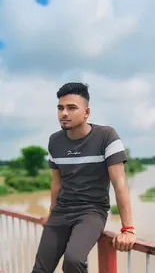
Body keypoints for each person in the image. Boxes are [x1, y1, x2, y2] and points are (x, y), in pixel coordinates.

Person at [31, 82, 136, 273]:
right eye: (60, 108)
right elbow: (56, 182)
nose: (64, 113)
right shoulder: (54, 141)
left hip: (91, 211)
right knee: (40, 269)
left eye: (71, 108)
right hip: (61, 211)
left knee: (73, 261)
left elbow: (119, 183)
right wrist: (51, 212)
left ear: (86, 112)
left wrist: (127, 229)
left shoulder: (106, 136)